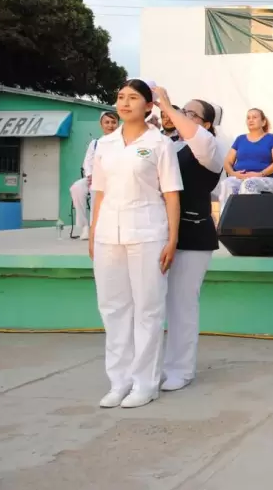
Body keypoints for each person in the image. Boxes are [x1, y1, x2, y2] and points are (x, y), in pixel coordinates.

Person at [89, 79, 183, 409]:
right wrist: (92, 233)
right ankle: (119, 381)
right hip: (107, 235)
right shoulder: (105, 144)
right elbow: (99, 192)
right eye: (120, 97)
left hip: (147, 232)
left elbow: (171, 195)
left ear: (148, 105)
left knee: (147, 309)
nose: (125, 103)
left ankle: (145, 382)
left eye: (133, 98)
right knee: (113, 309)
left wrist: (172, 238)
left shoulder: (159, 144)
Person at [152, 87, 225, 392]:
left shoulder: (208, 148)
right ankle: (153, 367)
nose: (182, 116)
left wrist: (168, 106)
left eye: (191, 113)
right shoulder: (169, 146)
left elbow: (194, 137)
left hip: (193, 235)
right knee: (154, 304)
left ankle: (181, 369)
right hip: (159, 233)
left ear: (207, 124)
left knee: (182, 303)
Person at [218, 108, 273, 209]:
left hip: (265, 178)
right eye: (248, 118)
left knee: (249, 184)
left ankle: (248, 221)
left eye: (254, 117)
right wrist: (234, 173)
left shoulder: (271, 139)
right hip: (240, 177)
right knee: (227, 184)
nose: (250, 120)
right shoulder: (240, 139)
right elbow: (227, 162)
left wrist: (259, 174)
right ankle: (227, 222)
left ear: (263, 122)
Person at [70, 112, 119, 240]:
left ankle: (94, 228)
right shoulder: (96, 143)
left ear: (118, 124)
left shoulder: (121, 142)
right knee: (76, 188)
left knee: (95, 191)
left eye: (113, 122)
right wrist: (90, 175)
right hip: (94, 177)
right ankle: (85, 226)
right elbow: (87, 161)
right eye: (107, 122)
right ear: (101, 124)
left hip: (112, 179)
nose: (110, 125)